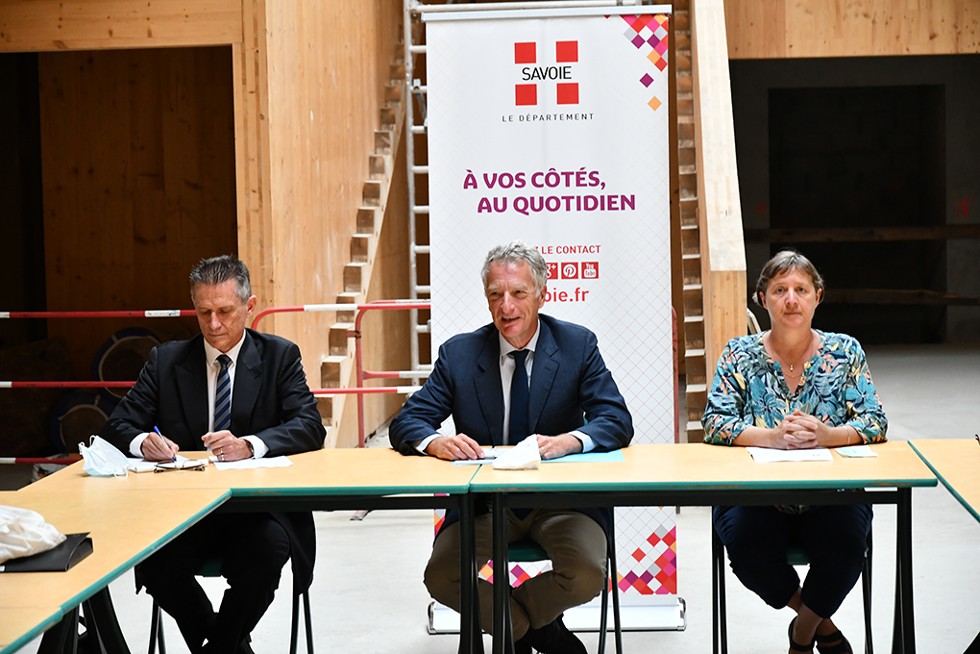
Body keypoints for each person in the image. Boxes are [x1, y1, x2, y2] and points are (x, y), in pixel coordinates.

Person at [389, 240, 633, 654]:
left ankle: (518, 627)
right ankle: (533, 631)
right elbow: (407, 422)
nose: (507, 307)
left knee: (588, 573)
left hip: (561, 502)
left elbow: (616, 420)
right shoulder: (459, 354)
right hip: (484, 504)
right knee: (442, 576)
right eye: (495, 295)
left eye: (518, 293)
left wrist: (570, 441)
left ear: (542, 293)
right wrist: (436, 442)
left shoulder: (577, 346)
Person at [101, 255, 326, 654]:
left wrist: (251, 445)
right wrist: (142, 443)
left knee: (267, 554)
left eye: (225, 311)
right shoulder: (166, 360)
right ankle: (228, 647)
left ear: (250, 305)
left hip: (258, 511)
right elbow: (117, 425)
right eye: (203, 313)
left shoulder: (279, 357)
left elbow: (310, 426)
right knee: (154, 563)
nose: (214, 324)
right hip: (184, 511)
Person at [702, 249, 887, 654]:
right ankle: (824, 627)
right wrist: (770, 437)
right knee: (746, 547)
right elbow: (714, 422)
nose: (791, 299)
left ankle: (802, 634)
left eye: (801, 289)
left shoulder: (845, 352)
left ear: (817, 296)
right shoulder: (739, 354)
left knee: (847, 545)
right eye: (780, 289)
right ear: (762, 298)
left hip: (830, 494)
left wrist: (827, 435)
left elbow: (874, 421)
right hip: (757, 496)